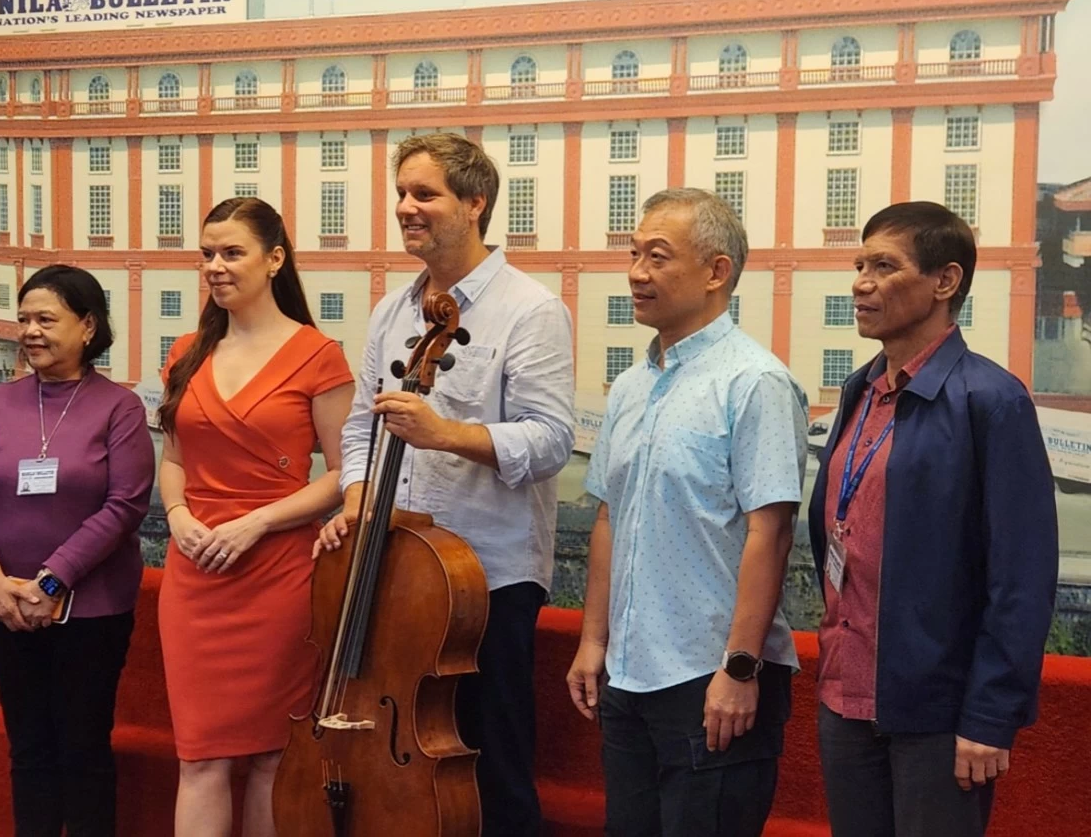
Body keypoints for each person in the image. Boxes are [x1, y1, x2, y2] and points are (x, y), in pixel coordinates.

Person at [314, 132, 575, 836]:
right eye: (401, 193)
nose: (406, 207)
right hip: (397, 571)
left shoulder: (531, 309)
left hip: (484, 580)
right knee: (397, 759)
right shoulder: (393, 312)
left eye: (424, 193)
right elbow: (362, 433)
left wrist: (446, 432)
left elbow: (552, 439)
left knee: (491, 770)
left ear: (474, 202)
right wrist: (361, 502)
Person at [808, 201, 1059, 837]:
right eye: (860, 264)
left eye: (884, 266)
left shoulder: (992, 400)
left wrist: (989, 716)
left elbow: (1021, 579)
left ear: (945, 282)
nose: (861, 282)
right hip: (845, 696)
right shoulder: (859, 390)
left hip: (940, 714)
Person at [566, 188, 808, 837]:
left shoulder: (755, 381)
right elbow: (610, 517)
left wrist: (739, 667)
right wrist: (593, 640)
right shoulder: (629, 385)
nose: (637, 272)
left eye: (658, 256)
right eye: (635, 253)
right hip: (629, 674)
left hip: (715, 678)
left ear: (716, 271)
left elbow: (772, 530)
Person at [156, 197, 354, 837]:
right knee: (200, 756)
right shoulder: (186, 351)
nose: (215, 265)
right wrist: (178, 514)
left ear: (274, 259)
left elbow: (343, 474)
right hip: (193, 571)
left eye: (231, 252)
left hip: (278, 574)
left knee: (273, 755)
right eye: (207, 254)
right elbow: (173, 458)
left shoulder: (319, 354)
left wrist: (258, 522)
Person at [0, 264, 155, 837]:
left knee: (83, 752)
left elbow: (124, 507)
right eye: (23, 319)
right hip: (8, 608)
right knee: (30, 753)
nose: (31, 331)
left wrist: (50, 581)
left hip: (90, 613)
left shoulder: (120, 407)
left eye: (46, 318)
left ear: (87, 326)